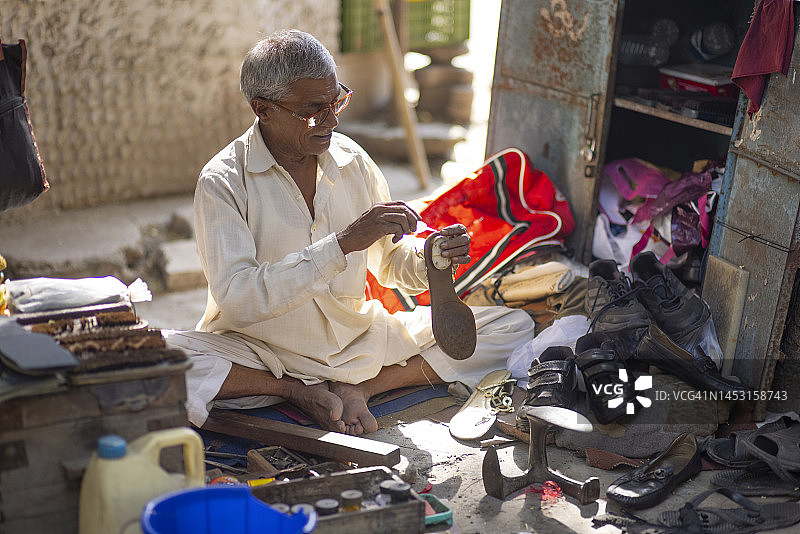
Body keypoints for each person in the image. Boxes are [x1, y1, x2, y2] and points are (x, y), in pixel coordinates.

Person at [166, 29, 536, 435]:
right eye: (314, 109)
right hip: (262, 352)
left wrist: (431, 256)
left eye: (336, 101)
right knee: (162, 357)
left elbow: (393, 266)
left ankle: (360, 388)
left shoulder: (351, 159)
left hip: (355, 343)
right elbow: (239, 299)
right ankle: (296, 392)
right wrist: (342, 244)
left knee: (511, 327)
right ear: (263, 109)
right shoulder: (224, 181)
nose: (333, 119)